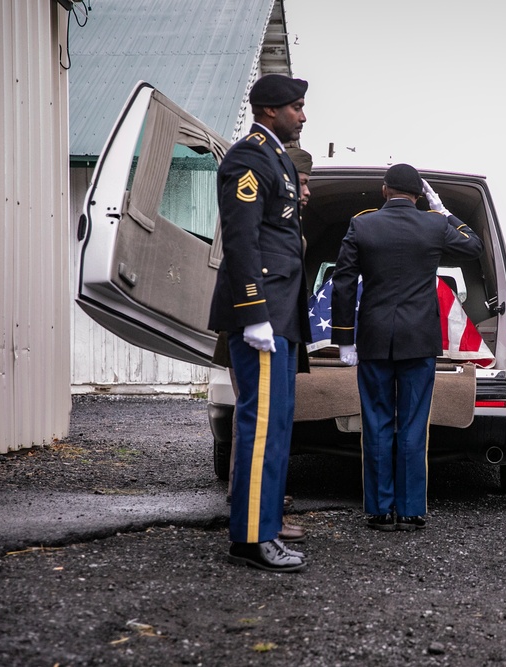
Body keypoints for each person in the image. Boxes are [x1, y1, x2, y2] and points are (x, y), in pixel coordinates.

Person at [330, 164, 483, 532]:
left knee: (377, 422)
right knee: (413, 424)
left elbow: (344, 280)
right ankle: (412, 509)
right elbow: (474, 246)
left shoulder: (362, 224)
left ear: (384, 191)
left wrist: (345, 338)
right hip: (419, 340)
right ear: (419, 195)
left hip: (374, 338)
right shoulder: (434, 224)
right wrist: (443, 210)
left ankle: (380, 510)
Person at [208, 73, 311, 572]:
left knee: (277, 429)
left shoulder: (275, 158)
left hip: (280, 315)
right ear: (270, 111)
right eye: (296, 107)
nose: (303, 116)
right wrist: (253, 314)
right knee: (261, 426)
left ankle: (264, 528)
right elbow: (242, 239)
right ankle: (251, 537)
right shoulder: (250, 157)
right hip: (263, 314)